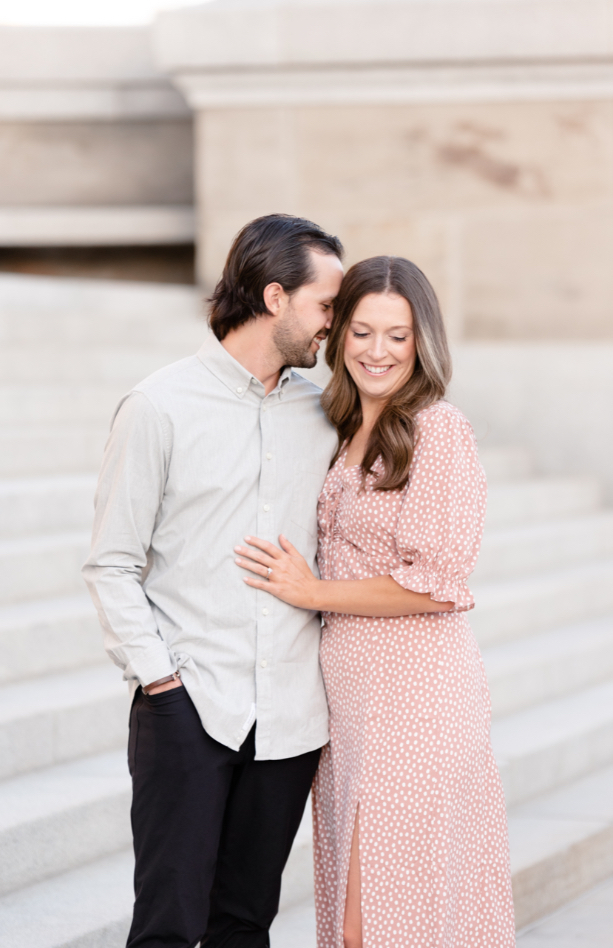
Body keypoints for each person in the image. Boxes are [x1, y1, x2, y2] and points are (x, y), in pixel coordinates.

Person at [233, 256, 516, 948]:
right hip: (348, 705)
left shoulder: (437, 429)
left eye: (398, 335)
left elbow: (437, 581)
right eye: (362, 332)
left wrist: (312, 592)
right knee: (358, 913)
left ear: (423, 341)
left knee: (381, 921)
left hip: (416, 699)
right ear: (338, 334)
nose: (378, 352)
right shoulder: (340, 426)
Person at [82, 213, 344, 948]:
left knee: (244, 924)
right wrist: (160, 682)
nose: (335, 323)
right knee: (167, 926)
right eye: (326, 305)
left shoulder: (325, 414)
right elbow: (112, 561)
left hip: (290, 716)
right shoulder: (158, 406)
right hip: (189, 707)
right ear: (274, 297)